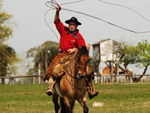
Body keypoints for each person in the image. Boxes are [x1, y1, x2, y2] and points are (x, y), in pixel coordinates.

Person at [44, 6, 98, 99]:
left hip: (75, 56)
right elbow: (56, 21)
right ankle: (50, 87)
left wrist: (74, 50)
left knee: (88, 70)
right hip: (62, 54)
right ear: (69, 25)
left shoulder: (79, 36)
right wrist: (57, 11)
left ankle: (90, 90)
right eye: (70, 24)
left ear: (76, 26)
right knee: (53, 68)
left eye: (73, 24)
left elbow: (83, 49)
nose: (71, 26)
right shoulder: (63, 30)